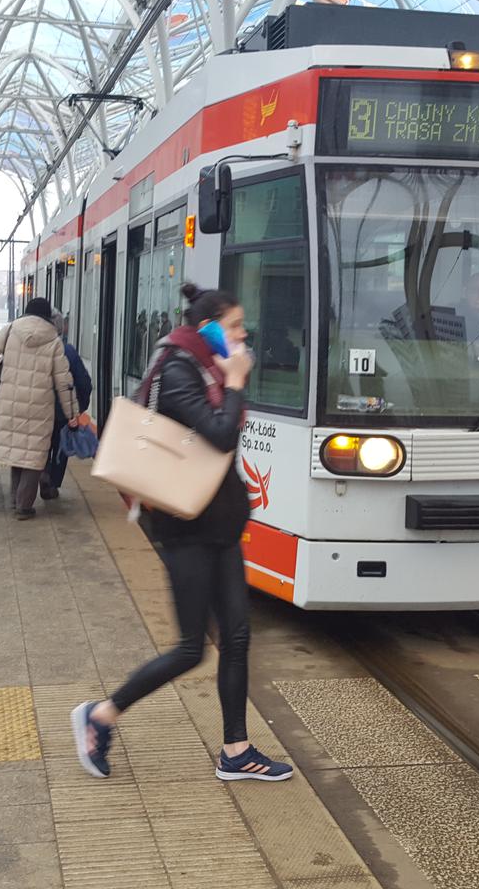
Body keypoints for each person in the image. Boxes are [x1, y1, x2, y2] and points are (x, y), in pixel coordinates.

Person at [71, 283, 294, 784]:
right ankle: (101, 715)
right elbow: (218, 436)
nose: (243, 336)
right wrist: (237, 383)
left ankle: (236, 751)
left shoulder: (207, 369)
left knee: (237, 636)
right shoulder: (177, 369)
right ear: (209, 328)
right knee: (191, 648)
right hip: (187, 530)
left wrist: (230, 379)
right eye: (235, 326)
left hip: (220, 524)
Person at [0, 297, 79, 519]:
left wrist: (3, 372)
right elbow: (64, 381)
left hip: (9, 403)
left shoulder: (11, 329)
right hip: (40, 407)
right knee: (33, 457)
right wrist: (72, 413)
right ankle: (24, 506)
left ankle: (16, 499)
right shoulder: (54, 339)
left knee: (17, 451)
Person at [41, 309, 93, 501]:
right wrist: (80, 407)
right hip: (64, 412)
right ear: (61, 329)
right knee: (61, 446)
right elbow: (84, 382)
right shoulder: (68, 351)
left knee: (43, 445)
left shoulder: (38, 350)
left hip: (41, 410)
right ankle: (53, 483)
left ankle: (43, 472)